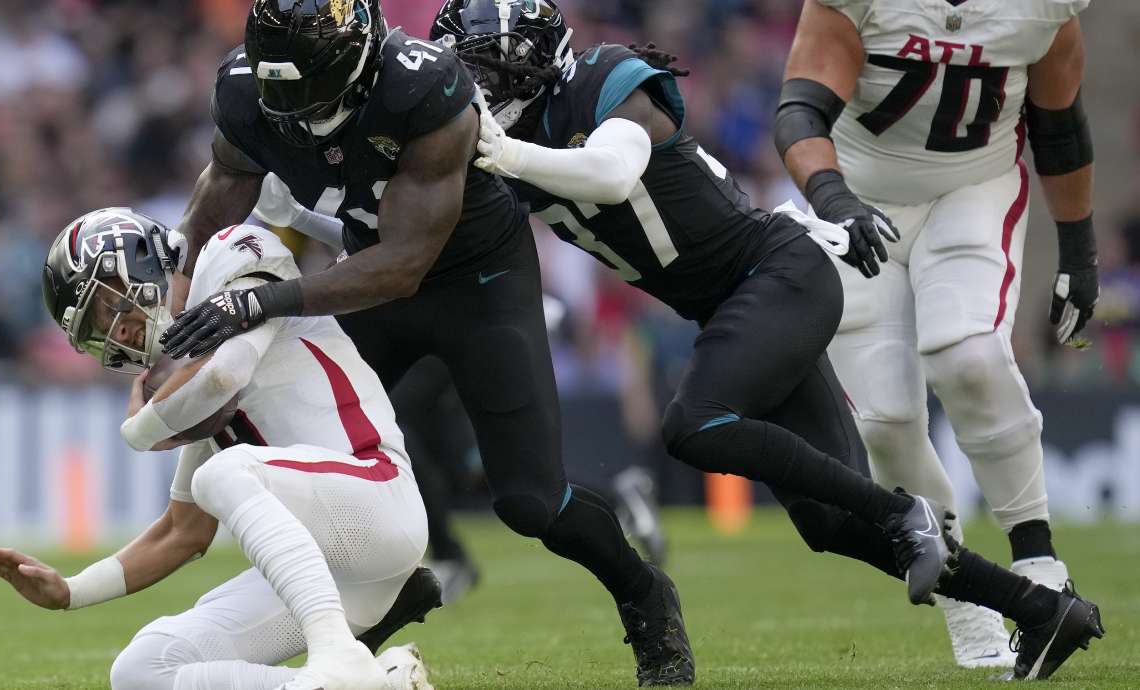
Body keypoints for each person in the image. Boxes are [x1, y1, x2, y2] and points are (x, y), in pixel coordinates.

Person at [434, 0, 1103, 680]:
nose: (478, 90)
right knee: (832, 524)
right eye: (467, 72)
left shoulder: (605, 79)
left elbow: (611, 174)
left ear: (539, 63)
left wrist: (507, 153)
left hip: (776, 273)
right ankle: (1041, 610)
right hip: (741, 305)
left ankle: (905, 511)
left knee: (693, 424)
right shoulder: (509, 149)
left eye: (490, 71)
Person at [155, 1, 693, 685]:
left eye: (311, 81)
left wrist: (259, 300)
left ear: (359, 57)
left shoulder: (424, 86)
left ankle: (645, 594)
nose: (294, 105)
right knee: (284, 440)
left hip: (475, 282)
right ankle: (388, 589)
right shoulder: (243, 90)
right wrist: (177, 294)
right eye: (279, 88)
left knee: (531, 500)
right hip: (368, 273)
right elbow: (225, 184)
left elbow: (405, 263)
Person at [0, 208, 437, 690]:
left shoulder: (229, 255)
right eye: (94, 328)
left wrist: (138, 432)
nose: (118, 334)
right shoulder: (189, 374)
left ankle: (337, 654)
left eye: (107, 307)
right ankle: (373, 682)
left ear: (139, 261)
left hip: (380, 501)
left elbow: (225, 373)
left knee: (222, 473)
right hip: (328, 575)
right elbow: (183, 532)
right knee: (140, 670)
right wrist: (70, 591)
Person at [775, 0, 1097, 667]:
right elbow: (800, 111)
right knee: (886, 421)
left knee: (969, 355)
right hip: (858, 198)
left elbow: (1059, 123)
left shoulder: (1041, 9)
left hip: (972, 188)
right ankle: (970, 605)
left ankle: (1040, 567)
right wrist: (835, 200)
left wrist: (1079, 249)